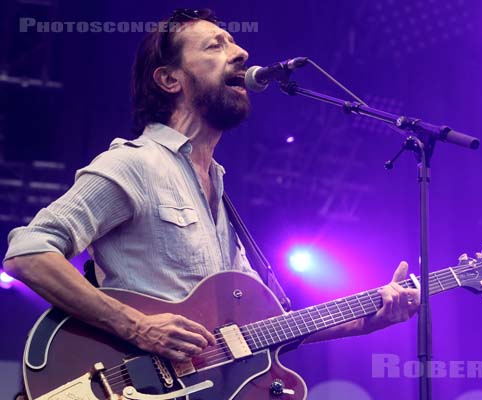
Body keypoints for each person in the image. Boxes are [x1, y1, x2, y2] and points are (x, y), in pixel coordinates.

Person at [3, 8, 419, 371]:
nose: (240, 54)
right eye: (215, 46)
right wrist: (136, 325)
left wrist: (373, 318)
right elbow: (28, 254)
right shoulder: (134, 163)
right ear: (169, 79)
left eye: (234, 44)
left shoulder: (218, 188)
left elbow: (266, 328)